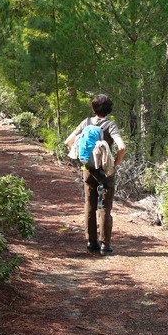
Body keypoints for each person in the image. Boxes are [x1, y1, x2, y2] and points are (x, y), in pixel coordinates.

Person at [64, 94, 126, 255]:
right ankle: (105, 245)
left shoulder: (86, 123)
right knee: (105, 206)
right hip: (106, 170)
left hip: (88, 169)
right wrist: (115, 162)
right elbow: (121, 147)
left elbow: (67, 142)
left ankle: (91, 243)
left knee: (89, 205)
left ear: (93, 108)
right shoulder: (110, 125)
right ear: (109, 110)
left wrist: (82, 159)